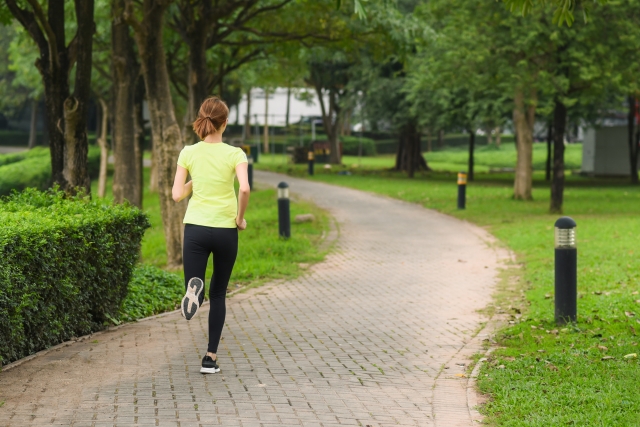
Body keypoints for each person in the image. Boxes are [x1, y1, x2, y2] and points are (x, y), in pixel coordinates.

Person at [172, 96, 250, 374]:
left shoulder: (188, 152)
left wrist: (198, 179)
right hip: (225, 231)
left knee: (196, 283)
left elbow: (177, 194)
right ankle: (210, 357)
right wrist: (239, 219)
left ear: (201, 119)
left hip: (195, 229)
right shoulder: (235, 153)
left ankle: (193, 290)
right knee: (219, 294)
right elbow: (244, 189)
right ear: (225, 123)